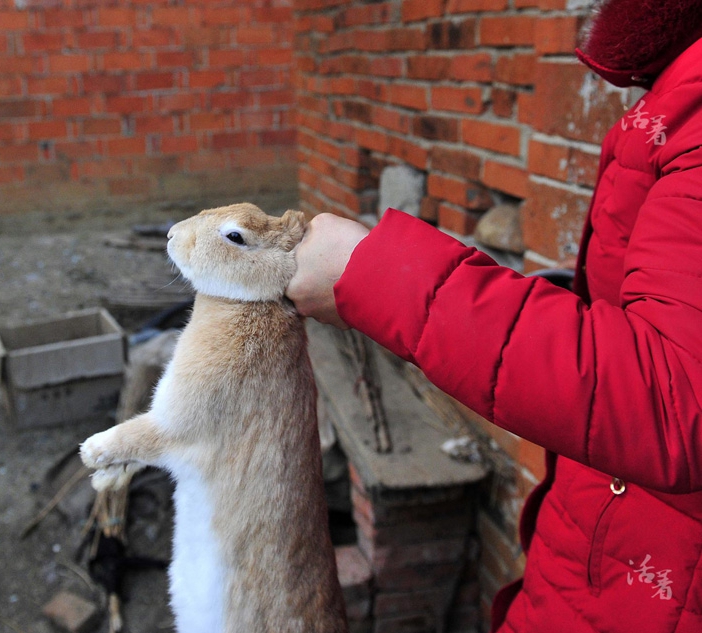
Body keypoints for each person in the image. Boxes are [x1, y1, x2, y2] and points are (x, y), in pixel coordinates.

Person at [287, 1, 702, 632]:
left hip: (654, 581)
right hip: (613, 551)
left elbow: (675, 398)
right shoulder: (679, 78)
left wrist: (371, 275)